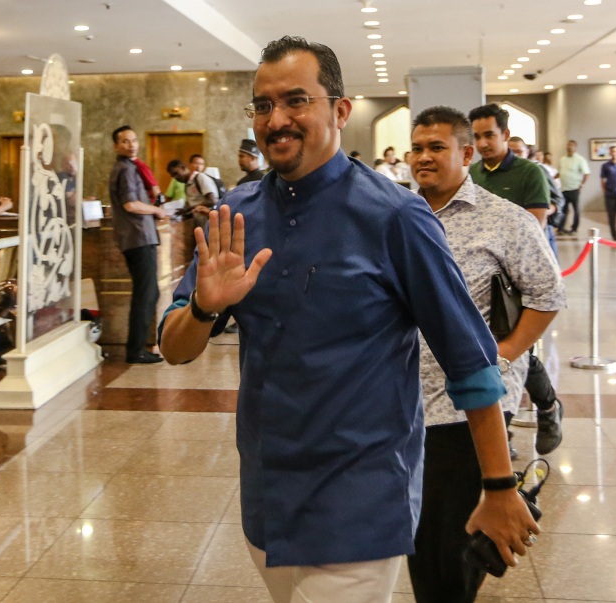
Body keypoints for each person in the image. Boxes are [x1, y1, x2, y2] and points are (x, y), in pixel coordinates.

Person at [159, 36, 539, 603]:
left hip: (361, 496)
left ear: (339, 110)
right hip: (267, 493)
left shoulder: (396, 216)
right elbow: (174, 348)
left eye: (296, 101)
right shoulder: (236, 215)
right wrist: (203, 307)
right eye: (263, 105)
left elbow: (471, 362)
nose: (276, 120)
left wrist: (499, 486)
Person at [408, 106, 565, 603]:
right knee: (422, 528)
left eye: (437, 147)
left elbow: (547, 293)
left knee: (446, 541)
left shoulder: (504, 219)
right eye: (417, 148)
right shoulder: (397, 216)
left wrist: (508, 352)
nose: (423, 157)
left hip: (470, 403)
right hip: (404, 398)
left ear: (466, 154)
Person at [468, 104, 563, 455]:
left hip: (519, 277)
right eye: (477, 136)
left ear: (505, 135)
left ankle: (548, 408)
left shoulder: (529, 172)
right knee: (487, 350)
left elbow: (535, 224)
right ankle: (500, 433)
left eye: (489, 135)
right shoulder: (472, 173)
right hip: (480, 279)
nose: (483, 143)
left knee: (517, 348)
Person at [109, 125, 169, 364]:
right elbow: (131, 204)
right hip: (137, 237)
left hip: (141, 236)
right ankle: (135, 350)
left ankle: (138, 347)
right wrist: (156, 210)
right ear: (116, 146)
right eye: (125, 141)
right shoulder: (125, 169)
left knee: (149, 292)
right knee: (146, 293)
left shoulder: (131, 167)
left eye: (134, 140)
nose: (131, 144)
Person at [512, 136, 563, 257]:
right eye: (511, 152)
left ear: (527, 152)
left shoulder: (537, 171)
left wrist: (543, 211)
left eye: (519, 151)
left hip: (540, 231)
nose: (515, 155)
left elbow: (558, 199)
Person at [167, 158, 219, 228]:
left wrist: (190, 208)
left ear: (183, 168)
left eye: (176, 173)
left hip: (207, 223)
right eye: (173, 176)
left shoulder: (200, 178)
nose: (175, 177)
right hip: (198, 224)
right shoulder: (187, 184)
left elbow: (212, 201)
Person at [557, 140, 590, 235]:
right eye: (568, 145)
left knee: (576, 209)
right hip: (564, 188)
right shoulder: (562, 159)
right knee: (563, 209)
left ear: (575, 147)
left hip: (574, 188)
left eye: (571, 145)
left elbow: (586, 173)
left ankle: (574, 228)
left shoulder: (580, 159)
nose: (569, 147)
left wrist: (581, 184)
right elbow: (559, 173)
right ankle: (561, 227)